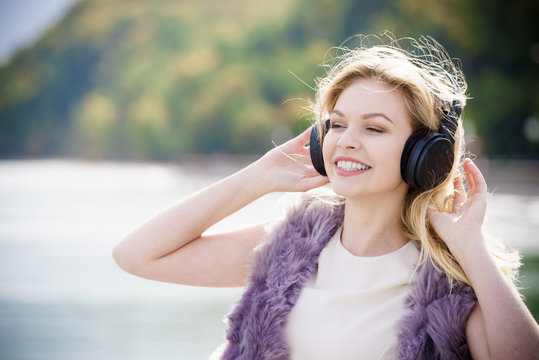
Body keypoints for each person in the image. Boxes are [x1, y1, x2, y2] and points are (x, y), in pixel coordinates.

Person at [112, 35, 539, 359]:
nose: (346, 142)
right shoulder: (288, 246)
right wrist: (261, 175)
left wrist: (471, 248)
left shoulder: (450, 287)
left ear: (425, 157)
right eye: (336, 125)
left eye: (374, 128)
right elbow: (136, 255)